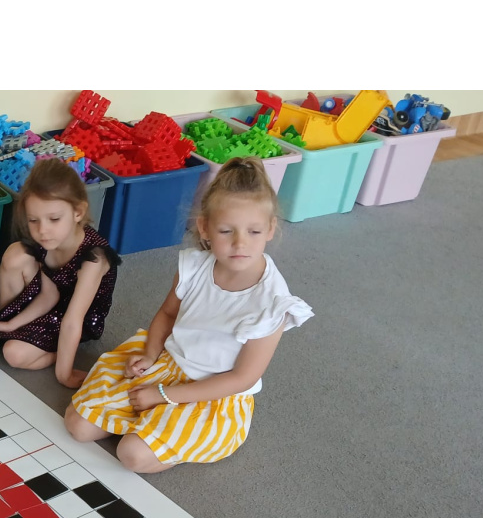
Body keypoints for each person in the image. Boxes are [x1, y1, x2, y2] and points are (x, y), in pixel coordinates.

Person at [66, 157, 313, 473]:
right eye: (226, 231)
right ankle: (150, 422)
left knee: (132, 454)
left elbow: (242, 378)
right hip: (170, 364)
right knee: (78, 425)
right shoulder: (195, 266)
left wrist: (164, 395)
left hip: (213, 394)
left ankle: (164, 429)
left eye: (254, 231)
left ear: (270, 229)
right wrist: (150, 354)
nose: (240, 243)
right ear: (205, 227)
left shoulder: (273, 303)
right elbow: (168, 314)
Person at [0, 158, 120, 387]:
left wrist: (65, 374)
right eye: (33, 220)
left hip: (80, 318)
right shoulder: (49, 240)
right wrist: (12, 324)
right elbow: (49, 295)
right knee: (15, 253)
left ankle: (58, 352)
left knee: (14, 353)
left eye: (54, 219)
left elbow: (73, 320)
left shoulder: (94, 258)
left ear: (78, 212)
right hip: (55, 301)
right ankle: (17, 327)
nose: (43, 231)